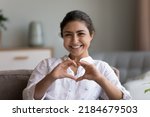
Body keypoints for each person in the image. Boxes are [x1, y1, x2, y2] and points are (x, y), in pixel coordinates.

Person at [23, 10, 131, 100]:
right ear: (63, 37)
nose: (74, 41)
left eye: (81, 34)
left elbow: (124, 103)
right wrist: (51, 77)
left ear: (91, 35)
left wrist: (100, 79)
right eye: (68, 35)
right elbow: (27, 99)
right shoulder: (47, 64)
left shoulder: (101, 68)